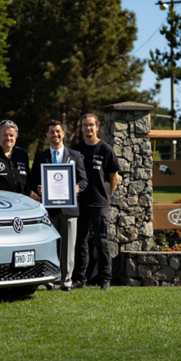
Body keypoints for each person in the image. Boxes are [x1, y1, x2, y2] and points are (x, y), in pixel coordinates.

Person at [28, 120, 88, 291]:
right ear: (47, 136)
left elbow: (84, 180)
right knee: (50, 246)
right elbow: (33, 181)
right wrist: (38, 188)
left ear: (63, 134)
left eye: (58, 132)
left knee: (69, 248)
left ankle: (66, 281)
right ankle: (50, 279)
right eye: (51, 132)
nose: (55, 135)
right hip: (49, 209)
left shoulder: (75, 156)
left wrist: (78, 188)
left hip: (69, 209)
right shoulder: (40, 157)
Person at [72, 113, 120, 291]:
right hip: (80, 203)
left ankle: (105, 279)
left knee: (102, 242)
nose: (88, 128)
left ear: (97, 127)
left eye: (91, 125)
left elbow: (114, 177)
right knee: (80, 242)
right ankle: (79, 279)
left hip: (100, 203)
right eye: (84, 125)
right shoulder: (76, 150)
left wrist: (106, 196)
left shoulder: (105, 149)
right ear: (82, 128)